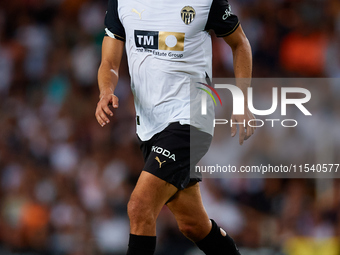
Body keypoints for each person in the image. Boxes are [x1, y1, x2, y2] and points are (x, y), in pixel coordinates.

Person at [95, 0, 255, 254]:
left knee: (140, 205)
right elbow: (110, 63)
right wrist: (106, 91)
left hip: (191, 118)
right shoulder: (122, 3)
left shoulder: (205, 3)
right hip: (150, 128)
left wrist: (241, 99)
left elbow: (240, 43)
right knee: (193, 225)